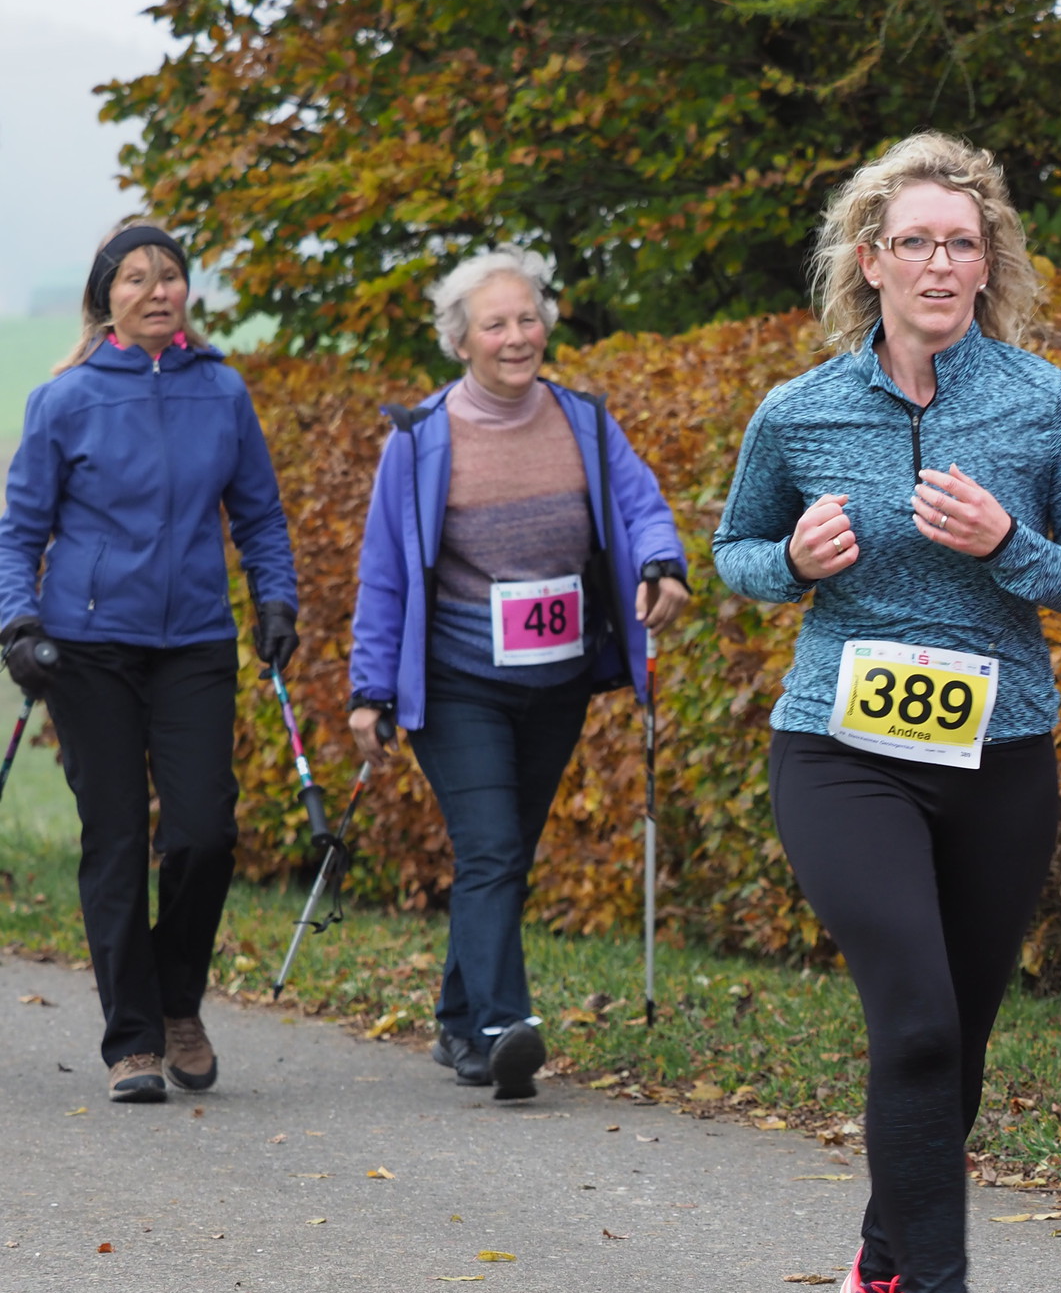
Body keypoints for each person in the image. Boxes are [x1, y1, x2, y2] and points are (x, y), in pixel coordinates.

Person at [712, 132, 1061, 1293]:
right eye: (916, 243)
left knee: (960, 1044)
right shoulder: (801, 411)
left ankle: (881, 1270)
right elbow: (734, 551)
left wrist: (1011, 546)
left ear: (989, 262)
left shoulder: (1045, 405)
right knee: (917, 1020)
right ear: (870, 260)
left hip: (998, 754)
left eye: (962, 242)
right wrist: (790, 559)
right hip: (842, 751)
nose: (940, 264)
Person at [346, 246, 688, 1101]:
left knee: (504, 854)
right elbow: (384, 572)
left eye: (527, 318)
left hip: (557, 679)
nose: (516, 336)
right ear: (459, 341)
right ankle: (503, 1028)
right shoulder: (419, 438)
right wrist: (369, 690)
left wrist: (663, 564)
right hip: (456, 681)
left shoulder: (585, 421)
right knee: (492, 848)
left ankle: (458, 1020)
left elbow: (643, 506)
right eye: (494, 324)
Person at [0, 220, 300, 1105]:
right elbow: (18, 533)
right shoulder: (65, 400)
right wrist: (17, 623)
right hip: (87, 648)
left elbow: (260, 516)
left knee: (205, 833)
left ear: (185, 292)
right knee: (118, 837)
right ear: (107, 299)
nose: (156, 289)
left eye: (169, 274)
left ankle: (177, 1003)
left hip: (195, 641)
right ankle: (133, 1041)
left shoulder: (223, 390)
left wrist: (276, 600)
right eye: (135, 277)